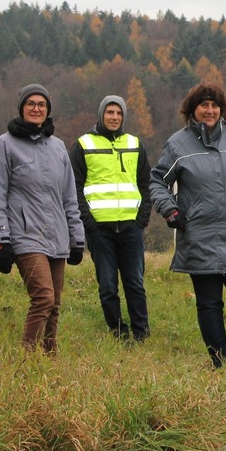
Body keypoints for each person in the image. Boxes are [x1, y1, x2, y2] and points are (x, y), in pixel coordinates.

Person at [149, 82, 226, 368]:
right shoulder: (178, 143)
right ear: (193, 109)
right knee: (209, 304)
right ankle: (219, 362)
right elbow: (157, 181)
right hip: (199, 236)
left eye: (215, 105)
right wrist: (170, 210)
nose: (210, 110)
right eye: (204, 105)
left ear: (222, 109)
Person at [0, 84, 85, 353]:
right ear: (21, 108)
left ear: (48, 110)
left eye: (41, 104)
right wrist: (1, 240)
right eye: (30, 103)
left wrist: (77, 238)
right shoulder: (3, 145)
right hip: (24, 235)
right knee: (43, 298)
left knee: (54, 305)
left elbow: (69, 197)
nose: (36, 108)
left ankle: (49, 360)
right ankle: (27, 361)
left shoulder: (58, 147)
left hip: (58, 236)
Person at [70, 95, 152, 341]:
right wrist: (89, 223)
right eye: (110, 112)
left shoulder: (135, 144)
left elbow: (146, 184)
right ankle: (118, 332)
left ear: (123, 116)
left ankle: (141, 332)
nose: (114, 117)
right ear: (101, 115)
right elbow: (73, 187)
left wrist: (142, 219)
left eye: (118, 113)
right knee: (107, 285)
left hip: (130, 228)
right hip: (100, 230)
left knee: (135, 283)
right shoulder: (83, 145)